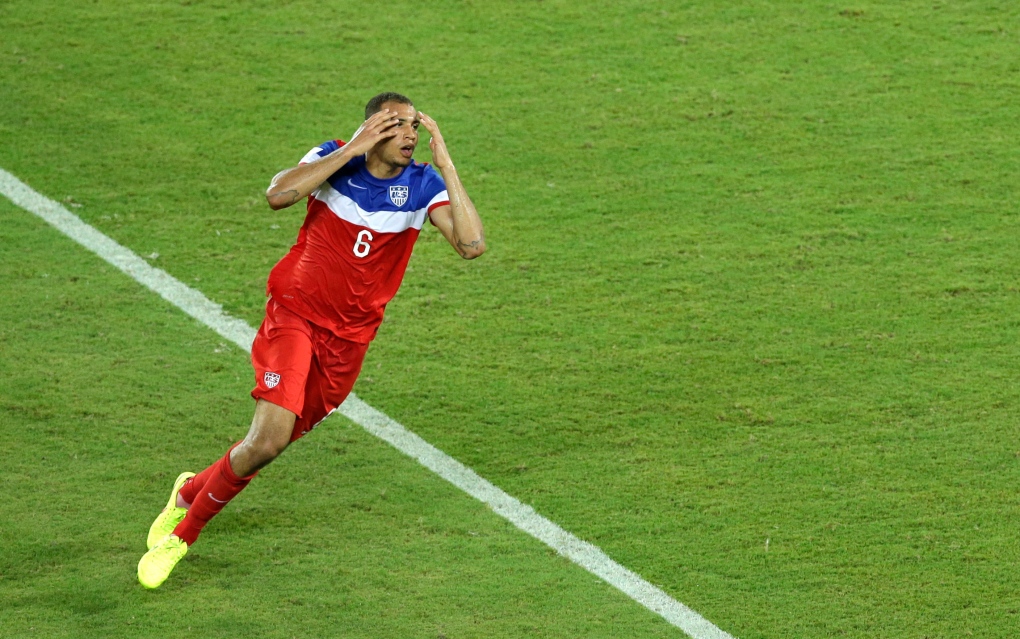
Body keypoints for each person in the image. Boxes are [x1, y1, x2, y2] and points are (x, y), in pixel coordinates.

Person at [137, 92, 486, 589]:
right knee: (269, 437)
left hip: (350, 342)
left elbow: (471, 246)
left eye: (415, 126)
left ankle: (189, 492)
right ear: (374, 129)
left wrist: (448, 165)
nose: (411, 135)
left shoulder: (423, 183)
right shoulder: (333, 154)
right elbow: (278, 195)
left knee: (265, 446)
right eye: (398, 125)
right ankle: (182, 537)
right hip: (296, 316)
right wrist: (349, 151)